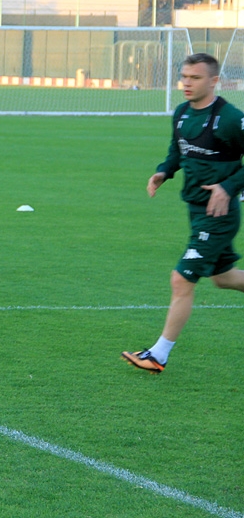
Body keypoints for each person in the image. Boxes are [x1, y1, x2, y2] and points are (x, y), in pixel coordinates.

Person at [122, 53, 244, 373]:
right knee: (224, 278)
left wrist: (228, 186)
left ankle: (158, 355)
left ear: (214, 81)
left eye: (195, 78)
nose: (187, 83)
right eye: (184, 77)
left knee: (181, 279)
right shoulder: (181, 113)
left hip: (219, 214)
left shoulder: (231, 118)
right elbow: (177, 151)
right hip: (195, 210)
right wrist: (164, 171)